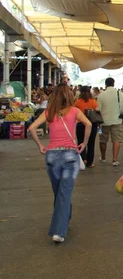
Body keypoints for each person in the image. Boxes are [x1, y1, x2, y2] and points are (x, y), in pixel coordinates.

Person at [28, 83, 92, 243]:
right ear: (69, 95)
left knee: (60, 193)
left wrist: (41, 146)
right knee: (64, 193)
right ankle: (59, 231)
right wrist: (84, 143)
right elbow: (89, 124)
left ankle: (65, 218)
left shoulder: (49, 112)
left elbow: (31, 128)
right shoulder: (75, 111)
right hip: (70, 156)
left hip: (51, 156)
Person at [97, 77, 123, 166]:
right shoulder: (119, 94)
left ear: (105, 84)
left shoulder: (101, 95)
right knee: (116, 140)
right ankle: (115, 160)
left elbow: (98, 110)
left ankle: (103, 158)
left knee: (103, 140)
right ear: (114, 84)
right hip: (116, 121)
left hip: (104, 122)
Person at [74, 86, 99, 167]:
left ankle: (82, 160)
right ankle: (90, 162)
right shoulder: (93, 101)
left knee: (81, 142)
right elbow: (97, 110)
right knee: (91, 144)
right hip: (91, 124)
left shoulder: (77, 102)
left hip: (81, 124)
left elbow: (74, 113)